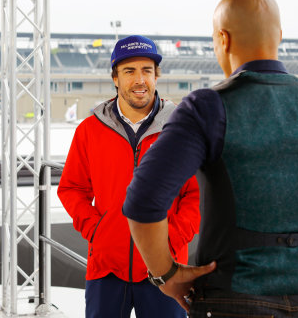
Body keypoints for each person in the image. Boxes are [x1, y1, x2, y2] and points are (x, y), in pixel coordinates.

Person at [123, 0, 298, 317]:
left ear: (222, 39)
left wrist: (167, 275)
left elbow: (143, 202)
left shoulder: (207, 107)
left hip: (231, 299)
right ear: (280, 37)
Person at [57, 35, 200, 318]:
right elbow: (72, 188)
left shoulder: (183, 129)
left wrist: (171, 239)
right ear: (115, 78)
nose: (139, 80)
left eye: (147, 70)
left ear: (156, 76)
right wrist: (97, 231)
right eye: (129, 71)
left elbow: (197, 195)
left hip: (166, 269)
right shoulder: (89, 130)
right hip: (106, 267)